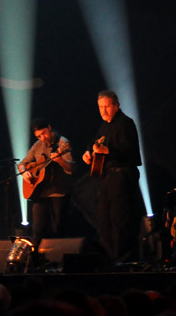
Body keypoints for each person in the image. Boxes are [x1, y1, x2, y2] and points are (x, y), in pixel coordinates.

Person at [82, 90, 143, 264]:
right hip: (106, 179)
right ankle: (108, 258)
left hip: (121, 177)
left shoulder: (126, 123)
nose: (103, 110)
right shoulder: (105, 126)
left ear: (116, 105)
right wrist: (88, 152)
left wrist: (107, 150)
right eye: (100, 107)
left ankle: (122, 259)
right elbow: (95, 142)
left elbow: (130, 152)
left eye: (107, 106)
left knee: (120, 220)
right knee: (104, 220)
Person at [18, 118, 74, 245]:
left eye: (44, 133)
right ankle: (35, 258)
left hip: (58, 192)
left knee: (58, 228)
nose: (42, 137)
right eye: (38, 136)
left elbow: (71, 168)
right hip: (40, 193)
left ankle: (59, 258)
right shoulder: (37, 145)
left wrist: (59, 160)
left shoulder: (63, 143)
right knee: (37, 229)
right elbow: (22, 164)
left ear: (49, 128)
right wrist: (23, 172)